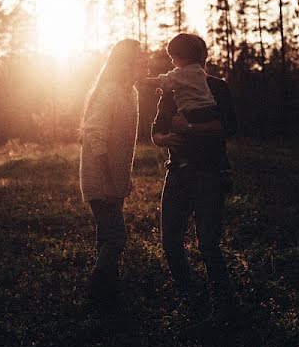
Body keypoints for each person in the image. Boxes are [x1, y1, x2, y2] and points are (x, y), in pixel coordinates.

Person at [151, 34, 238, 315]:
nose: (176, 63)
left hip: (209, 174)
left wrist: (188, 129)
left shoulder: (217, 87)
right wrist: (164, 139)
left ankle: (225, 301)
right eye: (173, 58)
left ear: (200, 57)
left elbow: (227, 127)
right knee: (170, 243)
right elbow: (156, 130)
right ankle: (190, 295)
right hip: (176, 172)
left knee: (209, 244)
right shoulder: (172, 89)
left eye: (179, 56)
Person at [79, 38, 147, 309]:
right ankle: (95, 290)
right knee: (117, 237)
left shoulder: (131, 92)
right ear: (126, 61)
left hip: (114, 180)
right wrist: (108, 181)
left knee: (106, 235)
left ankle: (107, 290)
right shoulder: (109, 92)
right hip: (100, 179)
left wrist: (124, 179)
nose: (144, 59)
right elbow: (95, 136)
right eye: (139, 55)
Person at [141, 33, 219, 126]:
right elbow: (183, 86)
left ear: (183, 56)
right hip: (210, 109)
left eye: (173, 58)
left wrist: (143, 80)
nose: (172, 61)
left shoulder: (181, 73)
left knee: (179, 128)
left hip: (193, 112)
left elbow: (161, 81)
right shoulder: (198, 71)